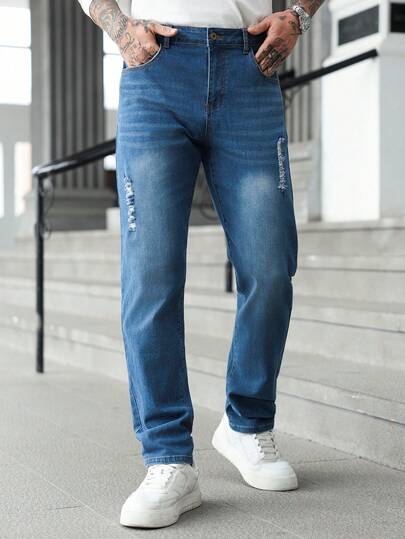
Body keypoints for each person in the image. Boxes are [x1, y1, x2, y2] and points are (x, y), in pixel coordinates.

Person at [78, 0, 324, 529]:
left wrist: (299, 15)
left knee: (270, 266)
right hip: (155, 68)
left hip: (249, 66)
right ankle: (168, 457)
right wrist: (118, 27)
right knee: (150, 277)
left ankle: (247, 424)